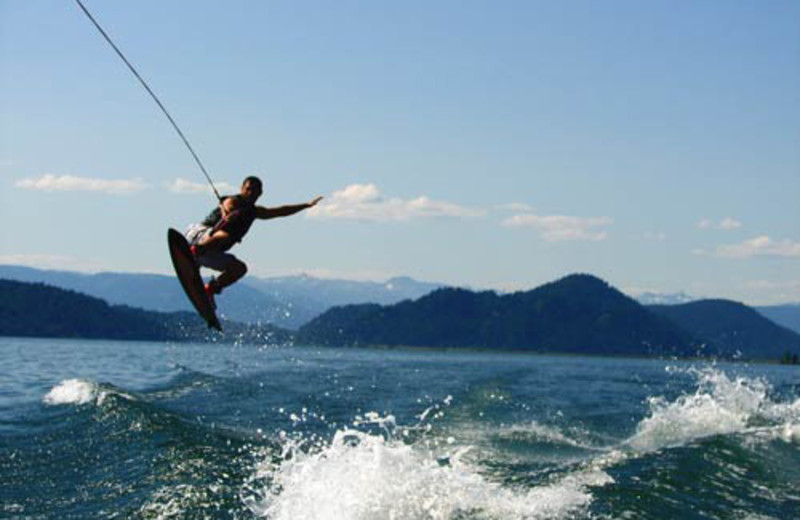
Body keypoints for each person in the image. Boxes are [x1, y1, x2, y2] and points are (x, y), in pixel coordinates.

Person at [185, 176, 322, 307]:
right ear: (242, 189)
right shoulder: (232, 201)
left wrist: (306, 205)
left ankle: (210, 289)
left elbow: (280, 211)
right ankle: (194, 252)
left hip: (210, 251)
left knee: (239, 269)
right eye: (248, 189)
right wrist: (228, 214)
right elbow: (228, 207)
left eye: (255, 191)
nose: (251, 193)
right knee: (225, 236)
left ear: (260, 193)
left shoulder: (254, 212)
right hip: (198, 236)